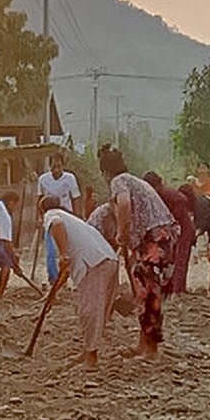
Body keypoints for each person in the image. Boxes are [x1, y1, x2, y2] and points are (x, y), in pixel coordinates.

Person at [100, 145, 176, 358]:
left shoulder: (119, 181)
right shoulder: (133, 181)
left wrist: (122, 233)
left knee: (148, 292)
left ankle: (151, 348)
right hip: (157, 237)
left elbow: (124, 204)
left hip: (156, 238)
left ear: (105, 172)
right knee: (145, 291)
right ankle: (143, 343)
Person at [42, 197, 119, 369]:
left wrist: (62, 254)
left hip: (94, 262)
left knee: (89, 310)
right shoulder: (73, 221)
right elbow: (66, 271)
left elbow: (56, 224)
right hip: (107, 260)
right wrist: (53, 293)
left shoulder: (52, 214)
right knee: (93, 310)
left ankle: (91, 358)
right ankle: (88, 351)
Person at [143, 173, 194, 296]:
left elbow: (178, 215)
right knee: (171, 259)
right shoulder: (161, 194)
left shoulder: (168, 195)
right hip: (175, 229)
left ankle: (177, 290)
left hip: (183, 230)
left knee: (180, 259)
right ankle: (173, 288)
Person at [37, 155, 82, 285]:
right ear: (50, 166)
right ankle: (53, 278)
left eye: (59, 166)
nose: (56, 169)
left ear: (63, 165)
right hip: (49, 217)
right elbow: (39, 199)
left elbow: (76, 198)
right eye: (54, 166)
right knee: (51, 251)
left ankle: (67, 277)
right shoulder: (43, 179)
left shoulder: (70, 178)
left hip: (66, 216)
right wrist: (39, 217)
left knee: (67, 249)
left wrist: (78, 216)